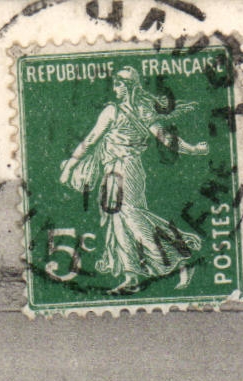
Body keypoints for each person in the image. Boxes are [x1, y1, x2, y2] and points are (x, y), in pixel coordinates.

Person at [58, 66, 207, 294]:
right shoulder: (141, 110)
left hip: (124, 170)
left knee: (130, 215)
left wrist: (70, 165)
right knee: (118, 220)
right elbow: (165, 138)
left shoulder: (113, 111)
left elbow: (90, 141)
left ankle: (178, 257)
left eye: (118, 84)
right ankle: (132, 277)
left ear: (127, 87)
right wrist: (193, 149)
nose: (114, 89)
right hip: (116, 170)